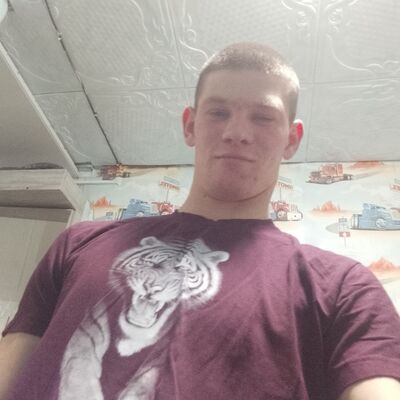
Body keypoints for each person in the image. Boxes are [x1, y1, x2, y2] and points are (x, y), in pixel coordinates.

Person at [1, 42, 400, 400]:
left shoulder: (344, 287)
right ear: (190, 125)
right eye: (219, 112)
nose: (236, 133)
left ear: (291, 139)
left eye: (263, 117)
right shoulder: (78, 242)